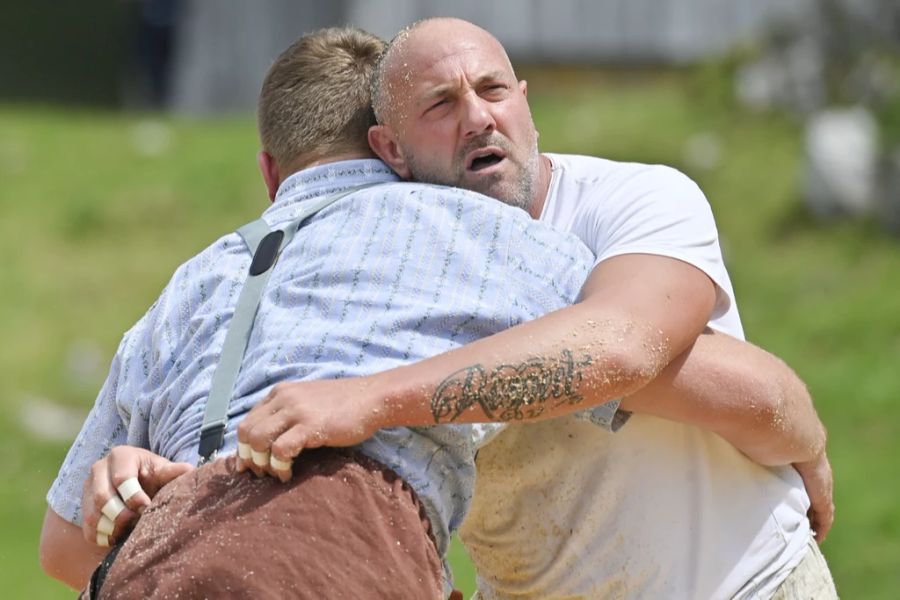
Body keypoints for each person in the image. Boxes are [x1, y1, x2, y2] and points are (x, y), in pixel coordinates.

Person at [44, 25, 826, 600]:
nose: (479, 118)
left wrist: (368, 400)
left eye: (491, 90)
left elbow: (629, 349)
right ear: (391, 156)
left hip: (737, 582)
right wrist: (180, 496)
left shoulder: (625, 204)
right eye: (442, 105)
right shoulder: (452, 238)